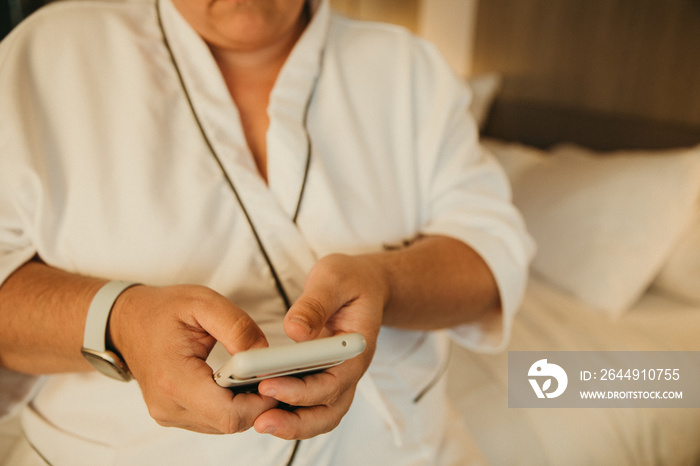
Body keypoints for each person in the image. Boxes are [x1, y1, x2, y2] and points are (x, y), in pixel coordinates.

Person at [0, 0, 534, 464]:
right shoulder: (50, 53)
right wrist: (119, 320)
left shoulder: (408, 66)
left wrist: (385, 281)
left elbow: (491, 253)